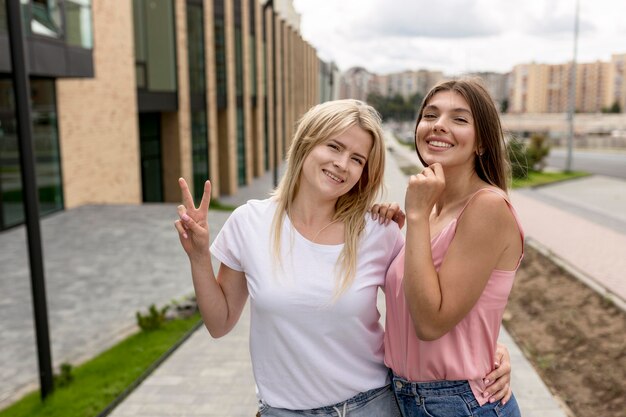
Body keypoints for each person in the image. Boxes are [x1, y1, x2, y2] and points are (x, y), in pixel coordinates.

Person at [174, 99, 512, 416]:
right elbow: (220, 324)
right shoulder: (249, 222)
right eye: (334, 146)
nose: (342, 164)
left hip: (372, 405)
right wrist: (199, 258)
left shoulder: (378, 230)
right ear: (306, 143)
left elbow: (424, 311)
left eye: (357, 158)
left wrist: (491, 349)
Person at [382, 79, 524, 417]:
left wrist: (415, 216)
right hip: (404, 396)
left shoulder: (486, 207)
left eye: (459, 119)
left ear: (482, 143)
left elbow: (431, 324)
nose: (439, 125)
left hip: (457, 404)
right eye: (430, 115)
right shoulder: (432, 210)